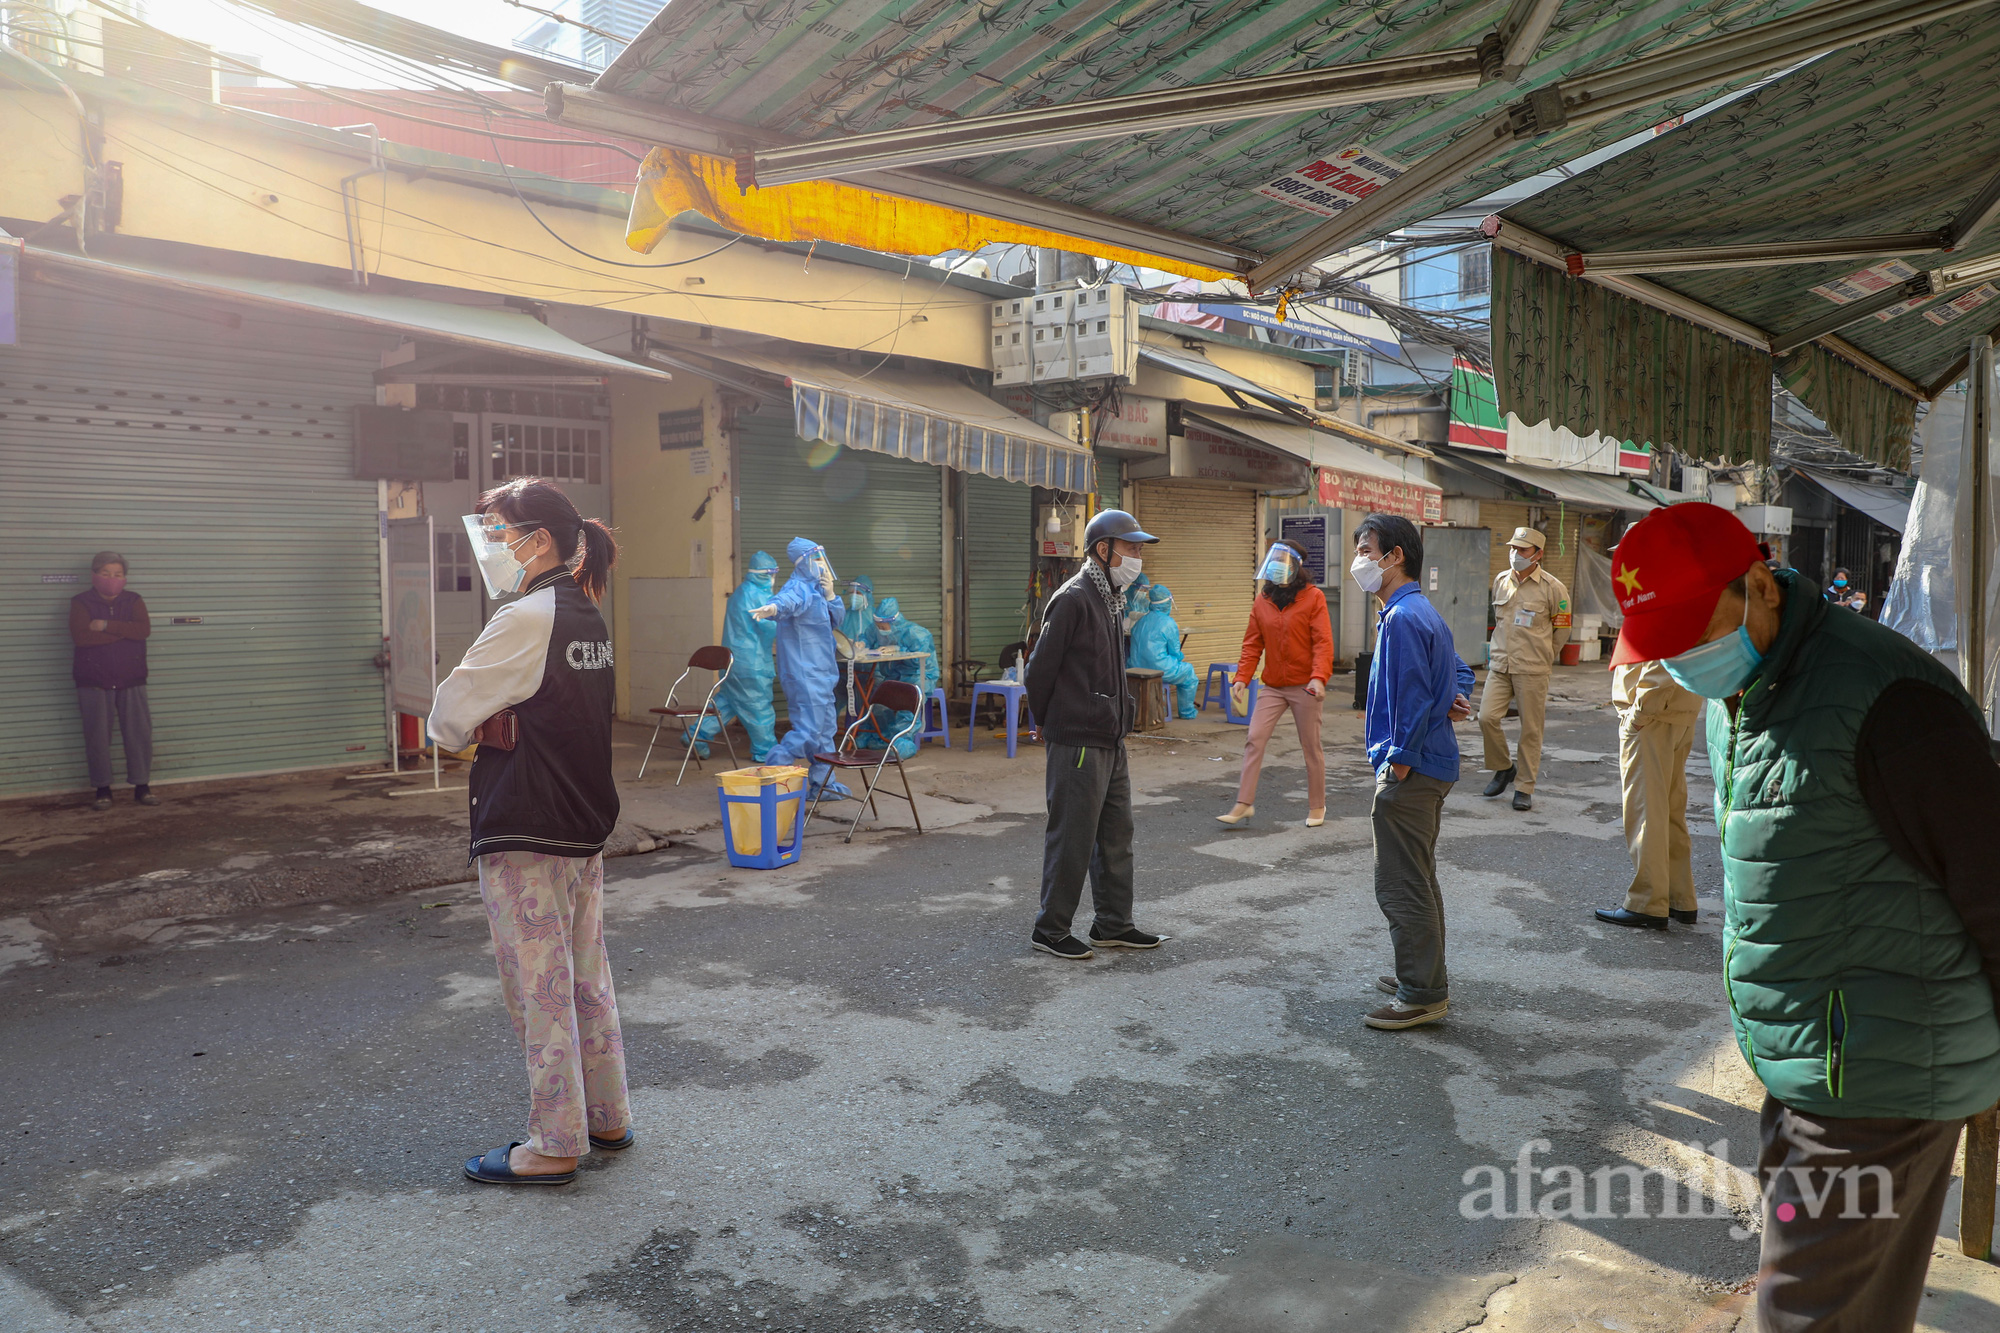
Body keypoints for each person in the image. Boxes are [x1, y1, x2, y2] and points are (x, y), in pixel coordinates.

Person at [1612, 502, 2000, 1332]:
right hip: (1806, 1063)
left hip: (1883, 1073)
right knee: (1842, 1303)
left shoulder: (1889, 699)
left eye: (1691, 632)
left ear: (1760, 584)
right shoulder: (1748, 687)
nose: (1681, 660)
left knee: (1805, 1314)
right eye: (1663, 645)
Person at [428, 478, 630, 1187]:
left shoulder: (525, 617)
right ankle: (605, 1114)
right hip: (581, 824)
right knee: (584, 978)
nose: (494, 541)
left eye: (501, 528)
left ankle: (554, 1143)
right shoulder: (586, 613)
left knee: (538, 988)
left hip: (529, 828)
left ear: (538, 539)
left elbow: (446, 717)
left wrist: (488, 719)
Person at [1024, 509, 1169, 961]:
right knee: (1073, 836)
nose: (1138, 556)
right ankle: (1050, 929)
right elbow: (1038, 672)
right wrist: (1051, 726)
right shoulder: (1073, 598)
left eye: (1140, 549)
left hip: (1110, 737)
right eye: (1131, 548)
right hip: (1079, 739)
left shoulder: (1111, 596)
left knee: (1115, 835)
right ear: (1103, 550)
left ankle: (1113, 923)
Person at [1354, 514, 1475, 1031]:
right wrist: (1455, 697)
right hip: (1430, 762)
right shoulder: (1412, 611)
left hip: (1414, 766)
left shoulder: (1404, 617)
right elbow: (1456, 673)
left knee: (1401, 882)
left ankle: (1422, 993)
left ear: (1394, 555)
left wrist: (1397, 762)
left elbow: (1413, 696)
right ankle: (1424, 975)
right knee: (1419, 875)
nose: (1359, 559)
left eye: (1365, 549)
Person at [1219, 540, 1333, 828]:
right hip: (1272, 686)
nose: (1275, 568)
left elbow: (1322, 642)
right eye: (1273, 562)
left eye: (1282, 563)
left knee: (1311, 746)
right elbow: (1252, 644)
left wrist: (1319, 677)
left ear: (1295, 567)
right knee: (1254, 738)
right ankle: (1243, 803)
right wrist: (1242, 678)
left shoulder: (1313, 598)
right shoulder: (1263, 600)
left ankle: (1317, 806)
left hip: (1305, 685)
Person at [1593, 656, 1704, 928]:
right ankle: (1679, 898)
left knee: (1647, 811)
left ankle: (1649, 902)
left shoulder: (1666, 610)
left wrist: (1639, 714)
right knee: (1669, 810)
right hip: (1678, 708)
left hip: (1653, 714)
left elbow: (1663, 656)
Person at [1477, 527, 1571, 812]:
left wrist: (1544, 656)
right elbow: (1500, 620)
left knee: (1531, 729)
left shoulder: (1553, 587)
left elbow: (1562, 630)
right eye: (1513, 548)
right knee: (1486, 717)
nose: (1515, 554)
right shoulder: (1501, 581)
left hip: (1532, 668)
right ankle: (1504, 767)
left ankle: (1524, 787)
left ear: (1538, 554)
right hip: (1501, 664)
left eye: (1523, 550)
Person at [756, 538, 850, 799]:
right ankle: (771, 773)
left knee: (824, 732)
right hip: (804, 673)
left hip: (822, 672)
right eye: (816, 558)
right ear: (804, 561)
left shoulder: (818, 589)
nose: (822, 564)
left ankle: (824, 784)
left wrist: (831, 594)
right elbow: (787, 602)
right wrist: (772, 608)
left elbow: (836, 620)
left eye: (822, 557)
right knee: (808, 731)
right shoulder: (799, 587)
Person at [70, 551, 157, 811]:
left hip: (132, 678)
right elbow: (82, 638)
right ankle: (102, 789)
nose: (112, 578)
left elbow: (143, 631)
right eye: (106, 573)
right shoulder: (80, 602)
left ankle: (142, 787)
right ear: (94, 575)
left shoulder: (134, 600)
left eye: (117, 574)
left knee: (139, 734)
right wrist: (123, 631)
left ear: (125, 577)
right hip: (93, 680)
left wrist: (106, 624)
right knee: (97, 736)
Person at [688, 550, 780, 761]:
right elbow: (770, 626)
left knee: (727, 702)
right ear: (762, 574)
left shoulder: (740, 592)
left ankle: (696, 736)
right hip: (752, 664)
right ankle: (766, 751)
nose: (773, 578)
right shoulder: (757, 595)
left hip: (733, 661)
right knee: (758, 707)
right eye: (770, 574)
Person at [868, 596, 937, 758]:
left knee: (907, 704)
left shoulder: (916, 633)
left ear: (893, 621)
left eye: (882, 625)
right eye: (878, 625)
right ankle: (884, 737)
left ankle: (903, 743)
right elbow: (869, 636)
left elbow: (920, 659)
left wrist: (899, 650)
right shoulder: (880, 630)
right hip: (896, 675)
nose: (880, 628)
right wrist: (862, 643)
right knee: (879, 702)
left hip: (919, 675)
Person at [1128, 583, 1198, 720]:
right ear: (1168, 602)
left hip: (1134, 667)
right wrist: (1179, 658)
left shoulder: (1140, 621)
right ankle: (1187, 712)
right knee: (1189, 672)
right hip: (1160, 669)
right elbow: (1175, 652)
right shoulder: (1169, 623)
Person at [840, 574, 879, 649]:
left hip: (872, 658)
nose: (854, 596)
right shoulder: (844, 616)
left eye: (858, 593)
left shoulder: (876, 616)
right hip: (847, 658)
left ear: (867, 595)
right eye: (852, 593)